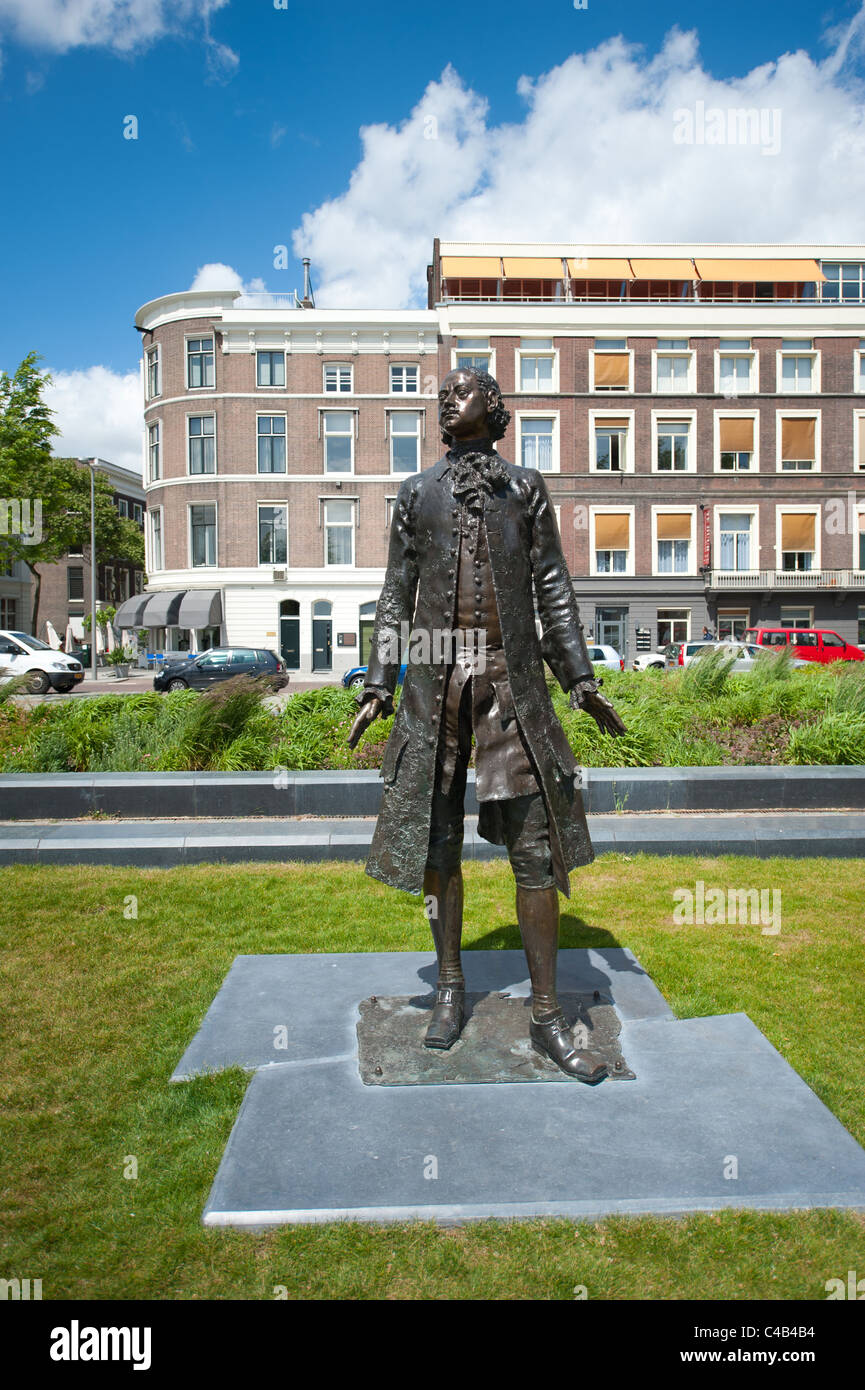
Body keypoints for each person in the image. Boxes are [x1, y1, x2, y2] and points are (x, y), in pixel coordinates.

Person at [348, 368, 626, 1081]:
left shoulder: (524, 489)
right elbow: (394, 596)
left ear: (494, 410)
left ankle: (544, 1015)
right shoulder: (415, 494)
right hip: (435, 681)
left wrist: (580, 679)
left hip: (510, 680)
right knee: (438, 842)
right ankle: (448, 988)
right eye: (444, 391)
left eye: (465, 389)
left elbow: (553, 589)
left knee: (535, 848)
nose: (448, 397)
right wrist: (379, 682)